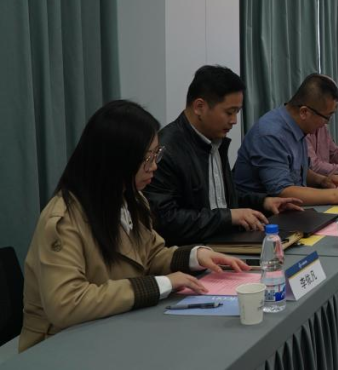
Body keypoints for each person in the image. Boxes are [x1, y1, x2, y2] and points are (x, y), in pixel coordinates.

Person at [20, 100, 248, 351]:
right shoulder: (63, 219)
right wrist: (162, 284)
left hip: (113, 330)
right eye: (147, 158)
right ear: (117, 161)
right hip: (60, 345)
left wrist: (196, 255)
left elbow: (150, 255)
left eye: (156, 154)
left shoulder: (131, 199)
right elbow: (67, 304)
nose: (154, 166)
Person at [146, 66, 303, 246]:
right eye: (229, 112)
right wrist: (229, 217)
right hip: (192, 252)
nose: (234, 120)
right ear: (199, 107)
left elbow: (221, 200)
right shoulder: (166, 150)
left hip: (226, 243)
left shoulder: (214, 140)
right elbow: (166, 220)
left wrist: (263, 202)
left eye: (237, 112)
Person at [233, 74, 338, 205]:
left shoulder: (296, 126)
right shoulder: (271, 135)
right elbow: (283, 192)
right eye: (326, 117)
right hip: (262, 214)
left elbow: (296, 171)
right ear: (304, 112)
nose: (326, 123)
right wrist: (336, 195)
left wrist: (322, 181)